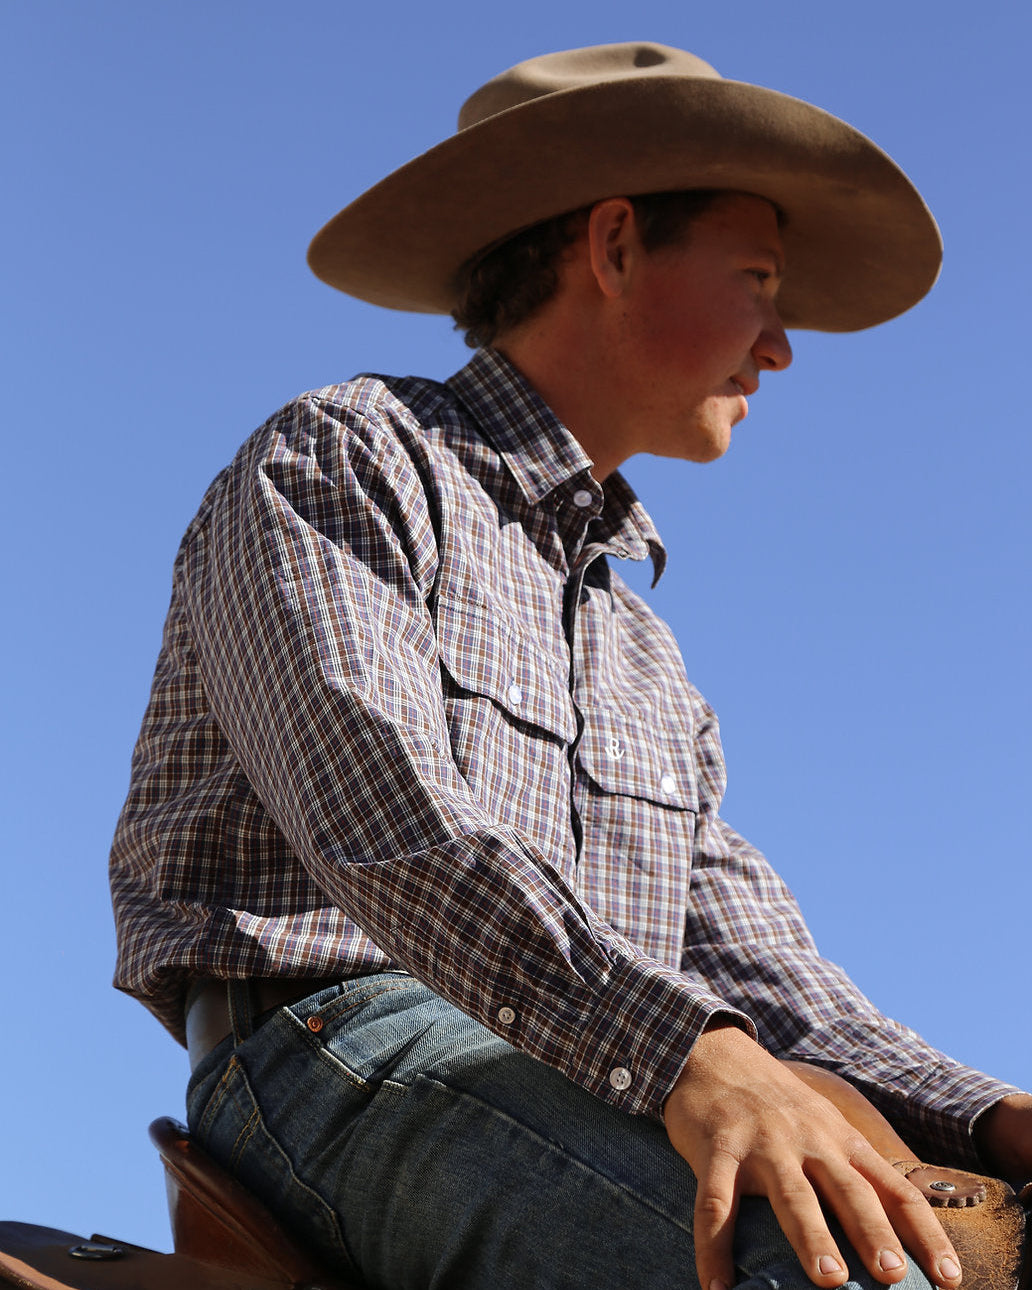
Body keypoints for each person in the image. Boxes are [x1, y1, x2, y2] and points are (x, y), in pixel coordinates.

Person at [109, 41, 1031, 1290]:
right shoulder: (348, 457)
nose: (781, 347)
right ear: (611, 248)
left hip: (606, 1071)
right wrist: (695, 1059)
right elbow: (386, 824)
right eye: (759, 280)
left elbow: (756, 968)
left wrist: (987, 1118)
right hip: (332, 1046)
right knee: (825, 1268)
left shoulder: (643, 650)